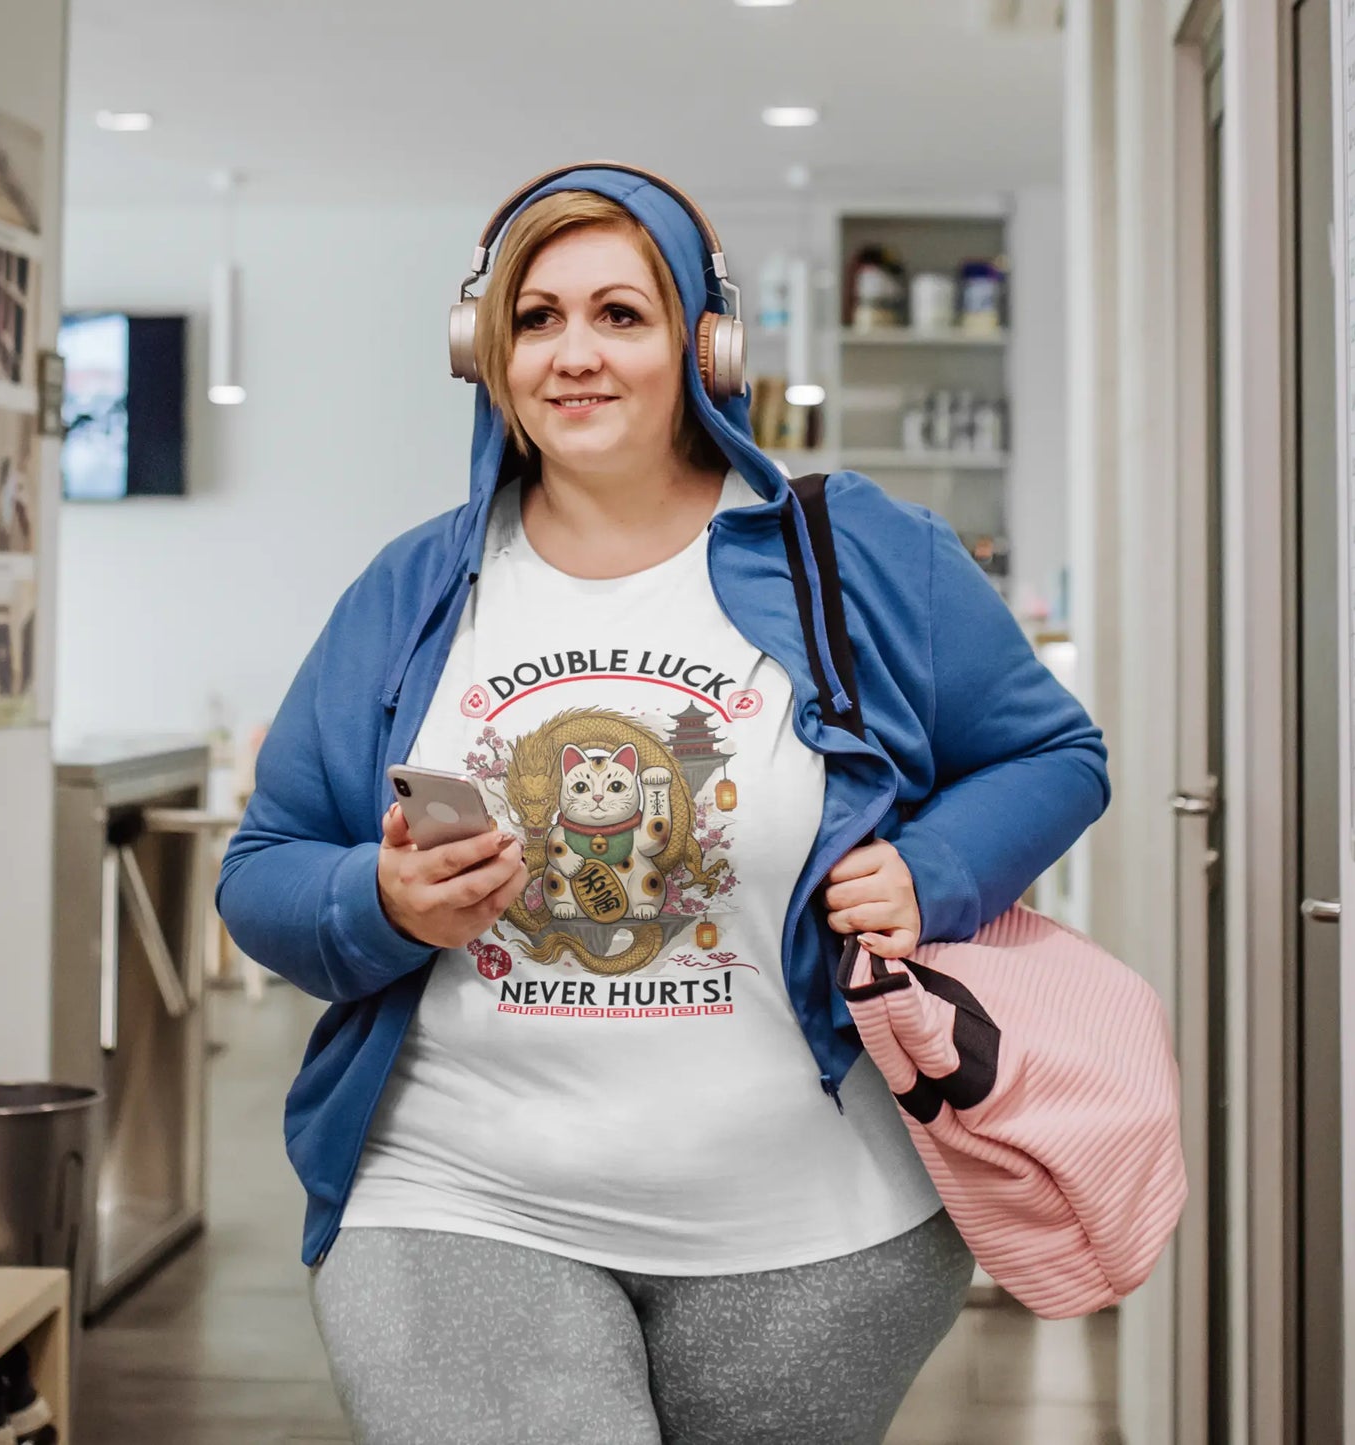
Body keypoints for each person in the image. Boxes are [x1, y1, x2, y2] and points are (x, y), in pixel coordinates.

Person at [217, 164, 1110, 1445]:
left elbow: (1053, 755)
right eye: (535, 319)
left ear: (705, 343)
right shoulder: (414, 588)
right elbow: (263, 866)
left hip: (817, 1228)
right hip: (458, 1193)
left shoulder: (857, 554)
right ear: (486, 351)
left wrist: (935, 868)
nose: (572, 354)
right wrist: (379, 897)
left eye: (619, 316)